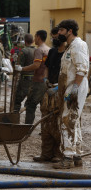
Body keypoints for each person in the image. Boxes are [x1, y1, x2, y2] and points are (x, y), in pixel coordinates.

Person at [53, 19, 89, 169]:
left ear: (69, 31)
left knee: (67, 121)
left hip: (76, 87)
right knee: (74, 122)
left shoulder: (78, 45)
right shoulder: (69, 47)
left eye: (61, 30)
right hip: (71, 87)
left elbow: (82, 69)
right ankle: (77, 156)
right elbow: (69, 71)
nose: (58, 33)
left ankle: (67, 158)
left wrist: (75, 88)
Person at [33, 27, 65, 163]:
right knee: (46, 121)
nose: (54, 39)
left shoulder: (68, 54)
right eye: (53, 37)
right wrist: (46, 79)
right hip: (49, 88)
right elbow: (46, 66)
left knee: (58, 122)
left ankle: (59, 153)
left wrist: (59, 86)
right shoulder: (52, 51)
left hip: (60, 90)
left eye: (56, 37)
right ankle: (46, 153)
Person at [15, 30, 50, 124]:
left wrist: (22, 69)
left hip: (38, 82)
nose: (34, 39)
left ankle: (27, 128)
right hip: (45, 81)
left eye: (35, 37)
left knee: (30, 106)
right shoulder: (48, 49)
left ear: (38, 37)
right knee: (44, 106)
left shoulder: (39, 50)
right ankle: (45, 129)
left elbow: (36, 65)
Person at [13, 33, 36, 113]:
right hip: (34, 79)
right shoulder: (36, 50)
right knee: (31, 100)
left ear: (25, 41)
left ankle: (15, 117)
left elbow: (19, 66)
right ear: (33, 41)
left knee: (17, 99)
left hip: (25, 79)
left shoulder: (24, 51)